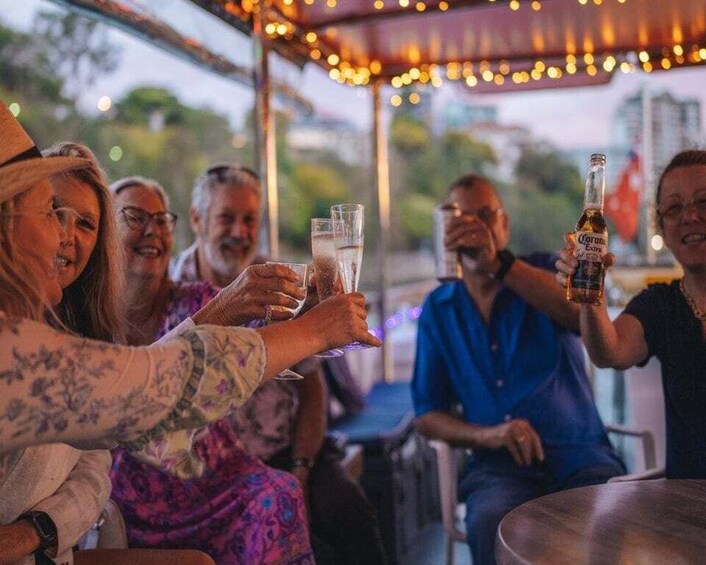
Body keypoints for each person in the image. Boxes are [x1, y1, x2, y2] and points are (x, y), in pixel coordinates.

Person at [0, 102, 380, 470]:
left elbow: (104, 451)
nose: (61, 234)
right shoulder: (17, 348)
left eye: (84, 222)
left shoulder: (59, 324)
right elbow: (153, 388)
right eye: (50, 212)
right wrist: (313, 330)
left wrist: (42, 530)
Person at [172, 164, 386, 565]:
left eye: (249, 219)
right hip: (204, 469)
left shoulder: (276, 280)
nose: (239, 232)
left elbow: (312, 388)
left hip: (283, 451)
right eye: (226, 218)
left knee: (351, 512)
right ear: (198, 220)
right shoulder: (171, 287)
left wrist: (301, 467)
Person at [411, 173, 625, 565]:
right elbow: (427, 415)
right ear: (446, 230)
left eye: (486, 214)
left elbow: (578, 314)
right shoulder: (438, 310)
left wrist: (499, 264)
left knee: (603, 525)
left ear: (504, 225)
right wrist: (490, 435)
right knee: (492, 522)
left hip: (580, 458)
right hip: (499, 470)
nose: (475, 226)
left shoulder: (542, 271)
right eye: (463, 217)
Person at [108, 176, 314, 564]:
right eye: (135, 217)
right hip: (128, 495)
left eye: (162, 220)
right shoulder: (89, 323)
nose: (152, 230)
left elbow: (259, 343)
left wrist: (311, 318)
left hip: (217, 481)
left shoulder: (202, 300)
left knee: (281, 492)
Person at [555, 149, 706, 480]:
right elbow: (609, 352)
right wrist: (590, 289)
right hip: (687, 509)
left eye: (703, 202)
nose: (690, 216)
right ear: (663, 227)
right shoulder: (662, 305)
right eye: (675, 207)